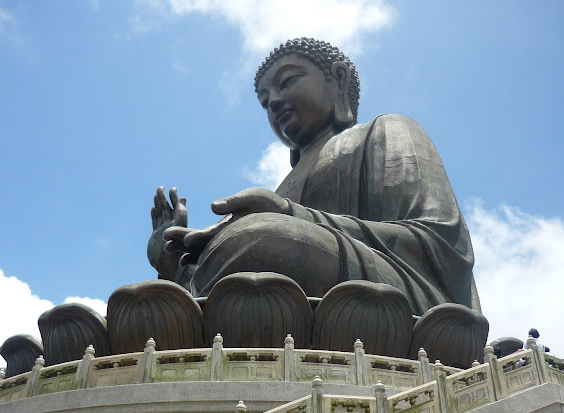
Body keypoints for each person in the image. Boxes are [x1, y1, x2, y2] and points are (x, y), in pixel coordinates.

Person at [148, 38, 480, 318]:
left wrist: (292, 217)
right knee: (151, 298)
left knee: (260, 238)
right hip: (287, 301)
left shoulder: (385, 131)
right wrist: (174, 262)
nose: (274, 102)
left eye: (287, 81)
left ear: (337, 79)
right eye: (265, 102)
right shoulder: (285, 184)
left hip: (396, 298)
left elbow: (441, 246)